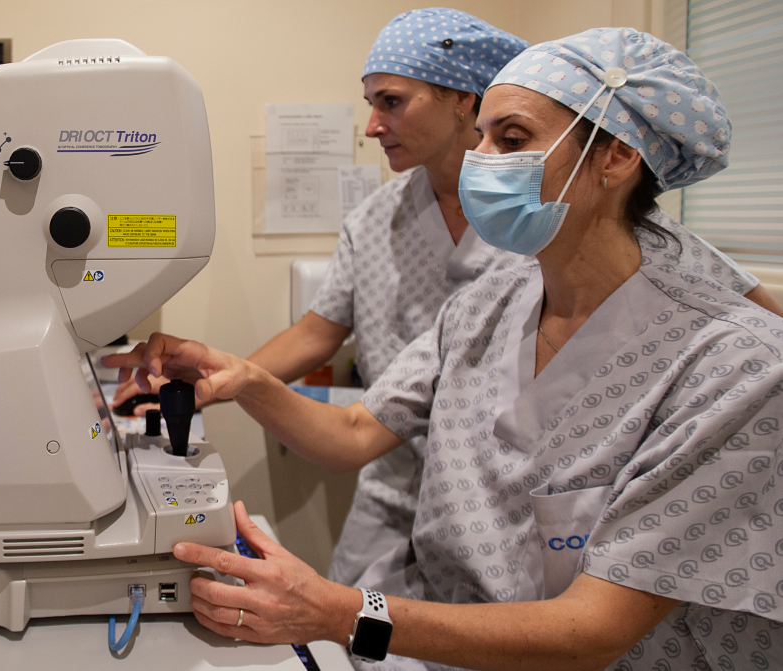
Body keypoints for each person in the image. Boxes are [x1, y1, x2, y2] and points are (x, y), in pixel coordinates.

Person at [105, 28, 783, 671]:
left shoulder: (732, 363)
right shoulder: (484, 306)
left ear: (617, 157)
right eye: (483, 137)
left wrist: (339, 611)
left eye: (512, 139)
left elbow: (595, 631)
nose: (480, 162)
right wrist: (245, 378)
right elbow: (354, 431)